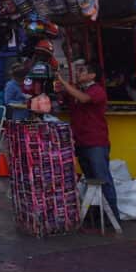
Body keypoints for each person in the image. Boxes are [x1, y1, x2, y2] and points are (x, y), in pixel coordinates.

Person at [57, 61, 119, 222]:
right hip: (80, 141)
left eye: (82, 71)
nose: (78, 74)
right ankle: (99, 217)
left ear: (92, 75)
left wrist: (65, 84)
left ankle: (113, 217)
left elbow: (84, 99)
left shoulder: (97, 91)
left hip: (96, 142)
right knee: (91, 181)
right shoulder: (77, 91)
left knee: (103, 179)